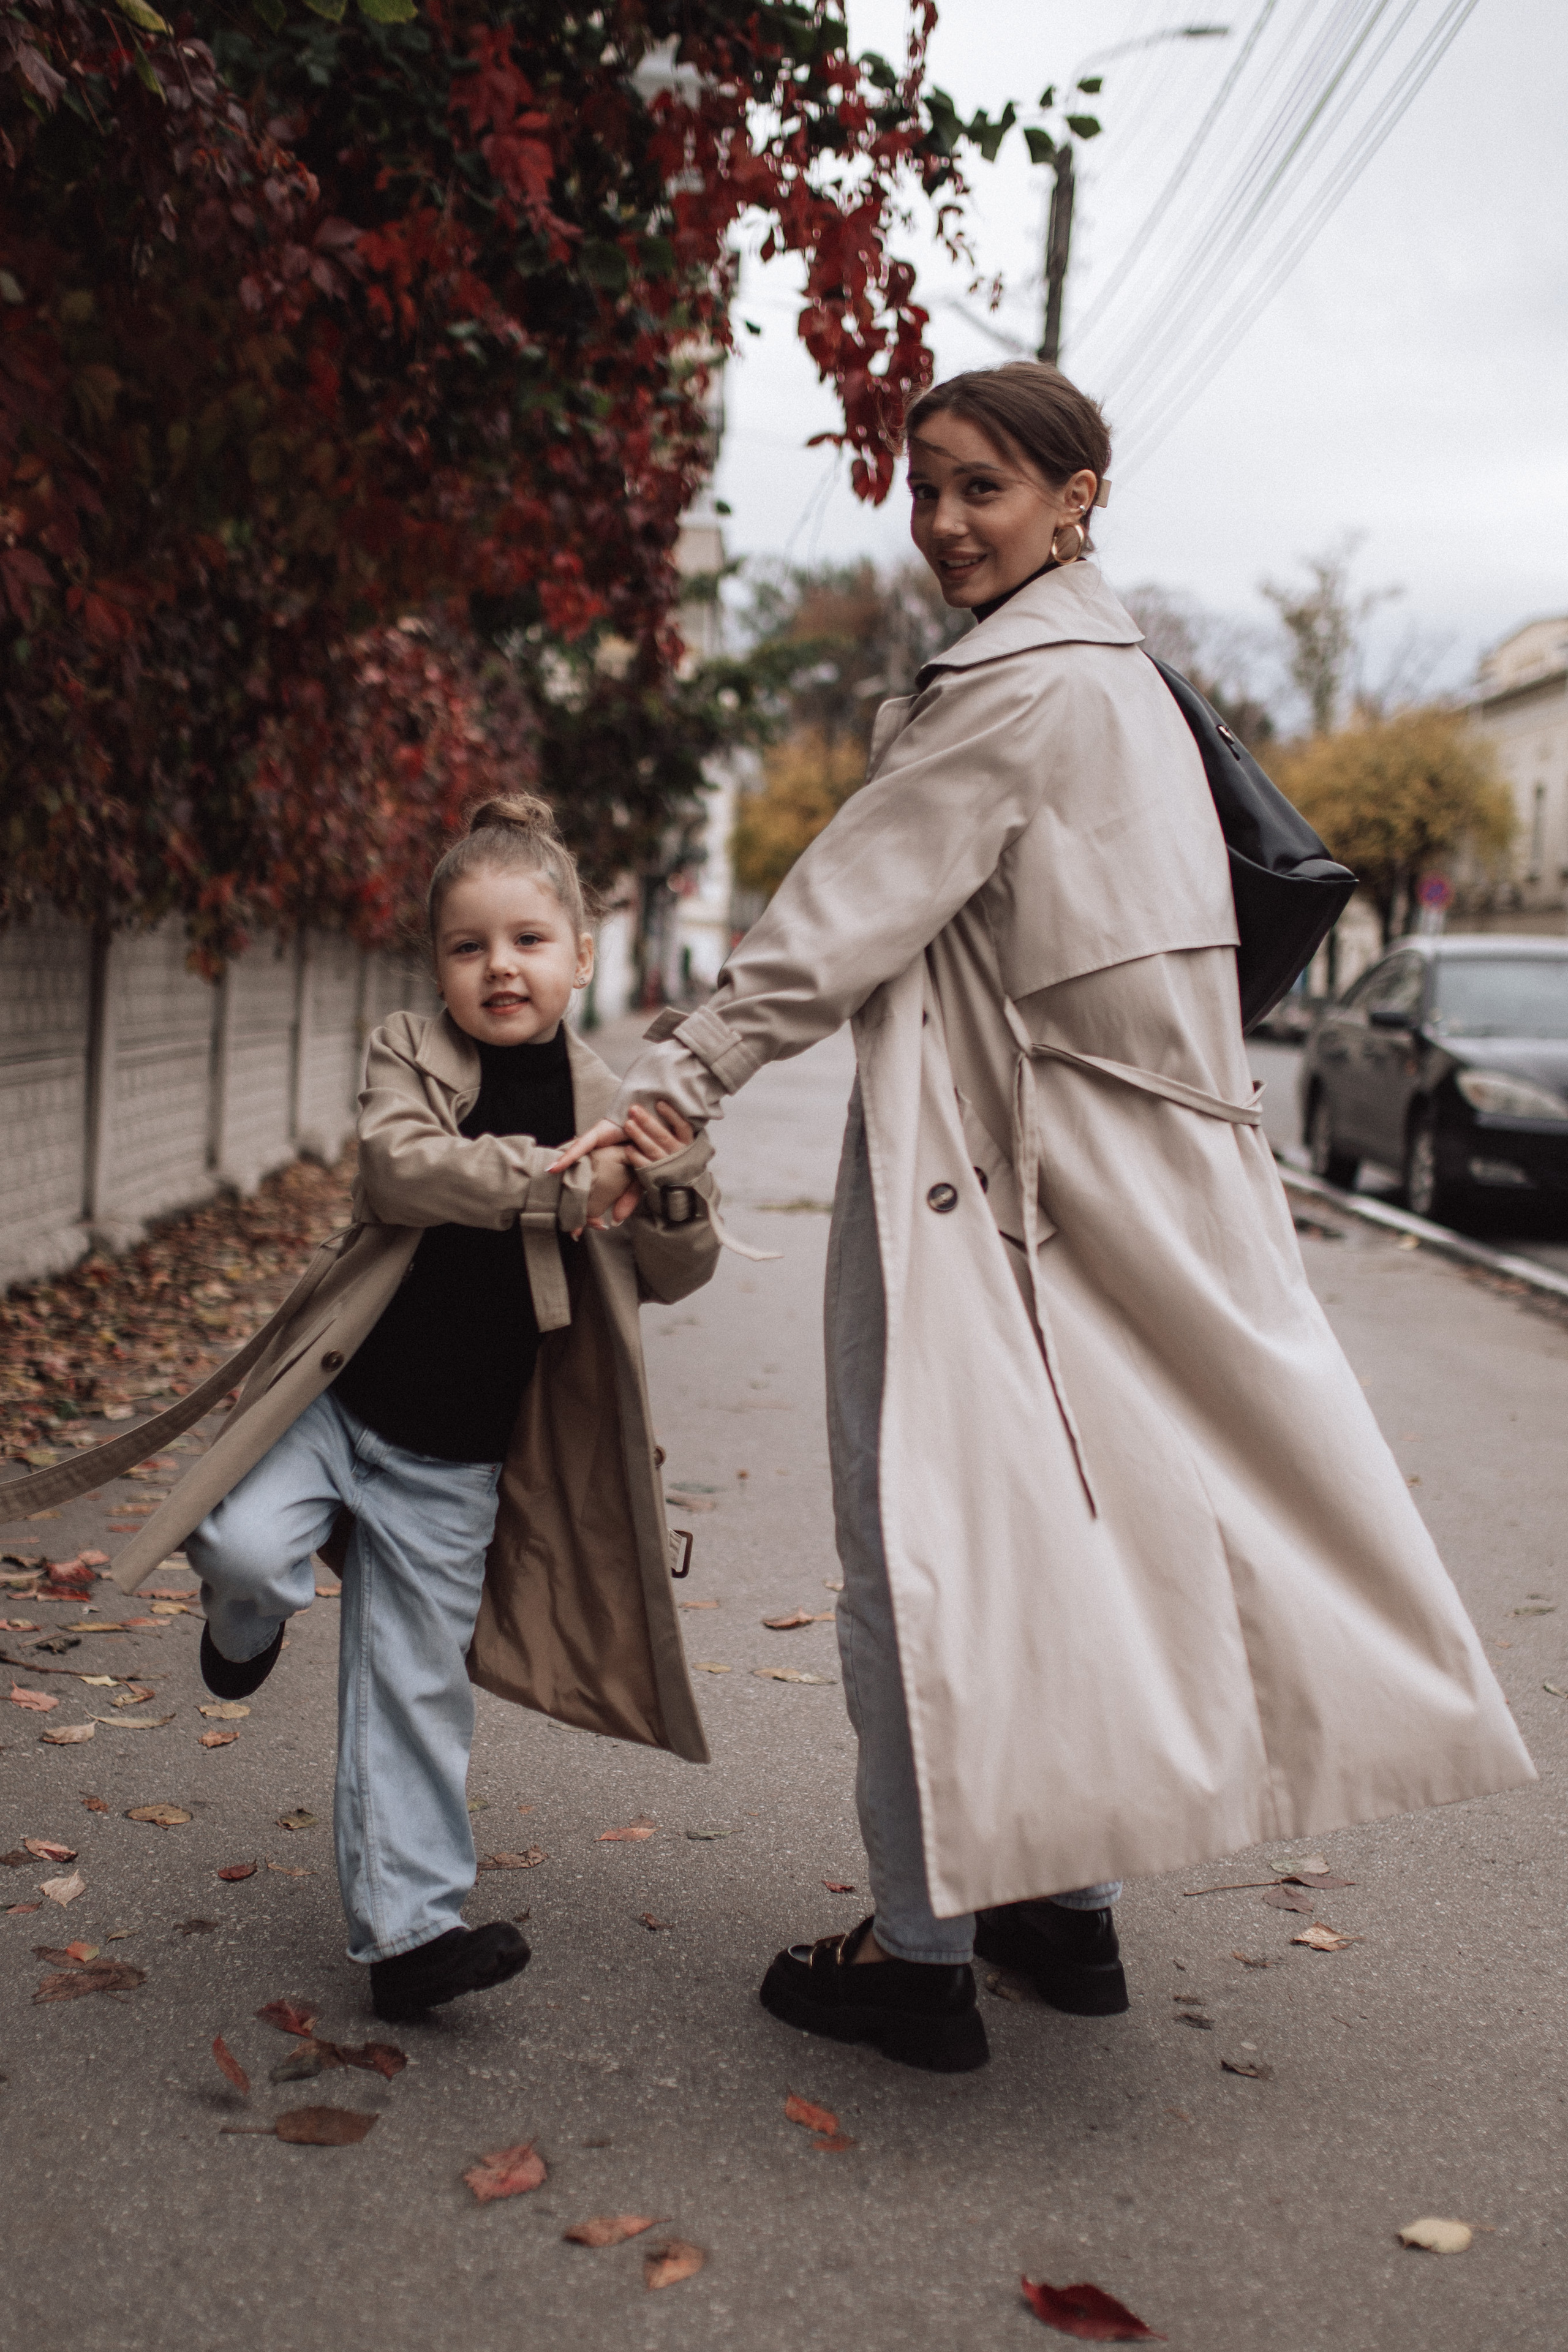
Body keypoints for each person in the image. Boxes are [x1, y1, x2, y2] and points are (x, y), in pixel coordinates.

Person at [552, 363, 1533, 2075]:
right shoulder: (1131, 682)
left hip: (995, 1191)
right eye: (923, 486)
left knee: (913, 1543)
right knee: (1059, 1542)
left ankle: (918, 1949)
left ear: (1079, 496)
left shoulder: (1013, 684)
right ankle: (1059, 1908)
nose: (941, 522)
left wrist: (669, 1092)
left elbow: (835, 920)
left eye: (982, 487)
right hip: (1127, 1189)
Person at [107, 796, 723, 2022]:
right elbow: (396, 1167)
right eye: (468, 945)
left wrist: (667, 1186)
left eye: (529, 941)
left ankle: (408, 1936)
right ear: (436, 963)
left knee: (413, 1695)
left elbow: (674, 1271)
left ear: (580, 954)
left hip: (461, 1462)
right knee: (240, 1548)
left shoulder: (620, 1099)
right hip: (339, 1409)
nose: (499, 967)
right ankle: (240, 1634)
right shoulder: (413, 1052)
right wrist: (557, 1183)